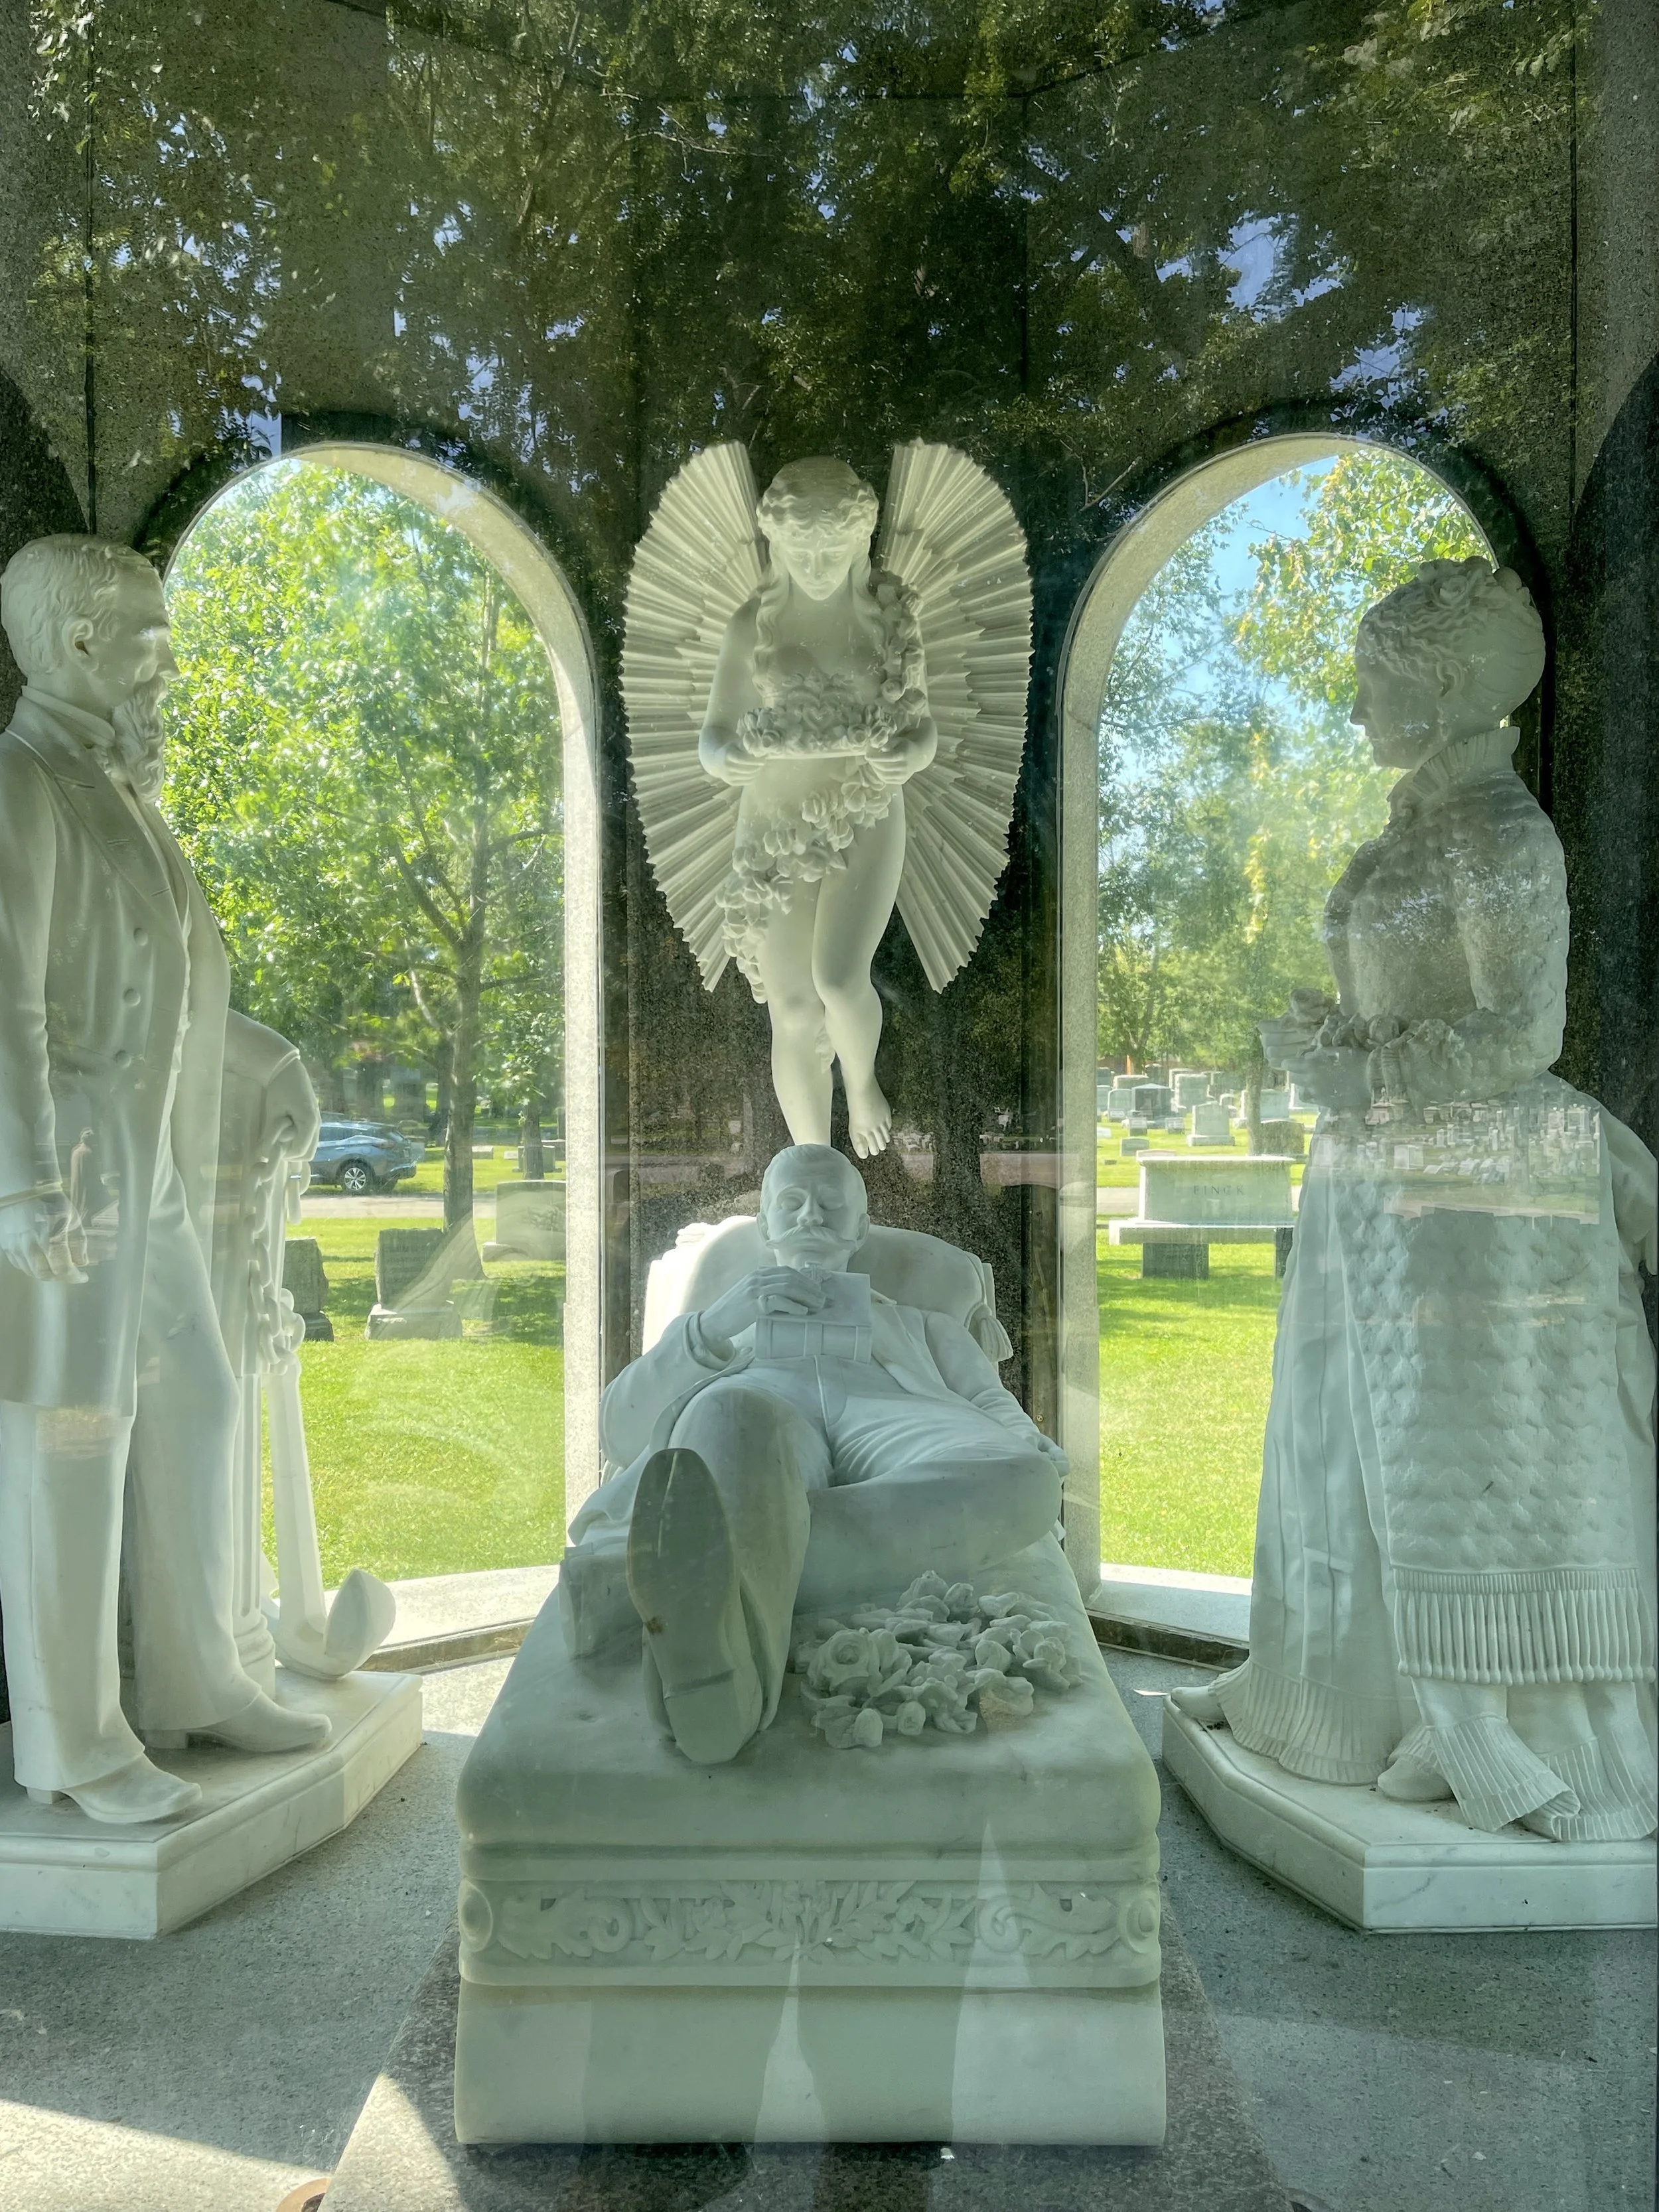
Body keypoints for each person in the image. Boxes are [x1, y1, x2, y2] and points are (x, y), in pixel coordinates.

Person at [1174, 559, 1657, 1842]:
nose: (1352, 709)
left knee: (1457, 1448)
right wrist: (1343, 1039)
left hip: (1472, 1184)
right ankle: (1322, 1674)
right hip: (1385, 1174)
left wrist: (1362, 1069)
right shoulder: (1424, 826)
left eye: (1370, 683)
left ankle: (1480, 1711)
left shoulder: (1503, 833)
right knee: (1335, 1432)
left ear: (1441, 690)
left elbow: (1522, 1027)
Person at [0, 533, 330, 1827]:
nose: (169, 658)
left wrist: (271, 1062)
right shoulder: (25, 787)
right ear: (80, 642)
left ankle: (200, 1672)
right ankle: (75, 1740)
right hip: (74, 1160)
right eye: (150, 634)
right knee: (71, 1438)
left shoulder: (122, 793)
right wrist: (24, 1187)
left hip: (156, 1162)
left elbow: (180, 993)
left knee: (196, 1388)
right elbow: (9, 1000)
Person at [560, 1143, 1066, 1765]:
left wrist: (1025, 1438)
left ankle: (659, 1585)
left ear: (860, 1228)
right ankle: (722, 1687)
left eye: (830, 1205)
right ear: (767, 1225)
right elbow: (621, 1430)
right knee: (724, 1421)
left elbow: (988, 1398)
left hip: (900, 1414)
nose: (810, 1218)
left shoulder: (925, 1325)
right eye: (792, 1204)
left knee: (1022, 1480)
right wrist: (716, 1324)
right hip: (760, 1406)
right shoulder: (717, 1328)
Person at [698, 459, 937, 1160]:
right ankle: (810, 1165)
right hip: (773, 820)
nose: (818, 563)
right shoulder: (756, 622)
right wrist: (725, 759)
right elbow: (715, 733)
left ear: (861, 539)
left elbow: (922, 727)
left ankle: (861, 1082)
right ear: (775, 542)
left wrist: (911, 757)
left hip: (864, 805)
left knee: (837, 977)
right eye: (801, 549)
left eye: (833, 548)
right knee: (793, 1007)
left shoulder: (890, 617)